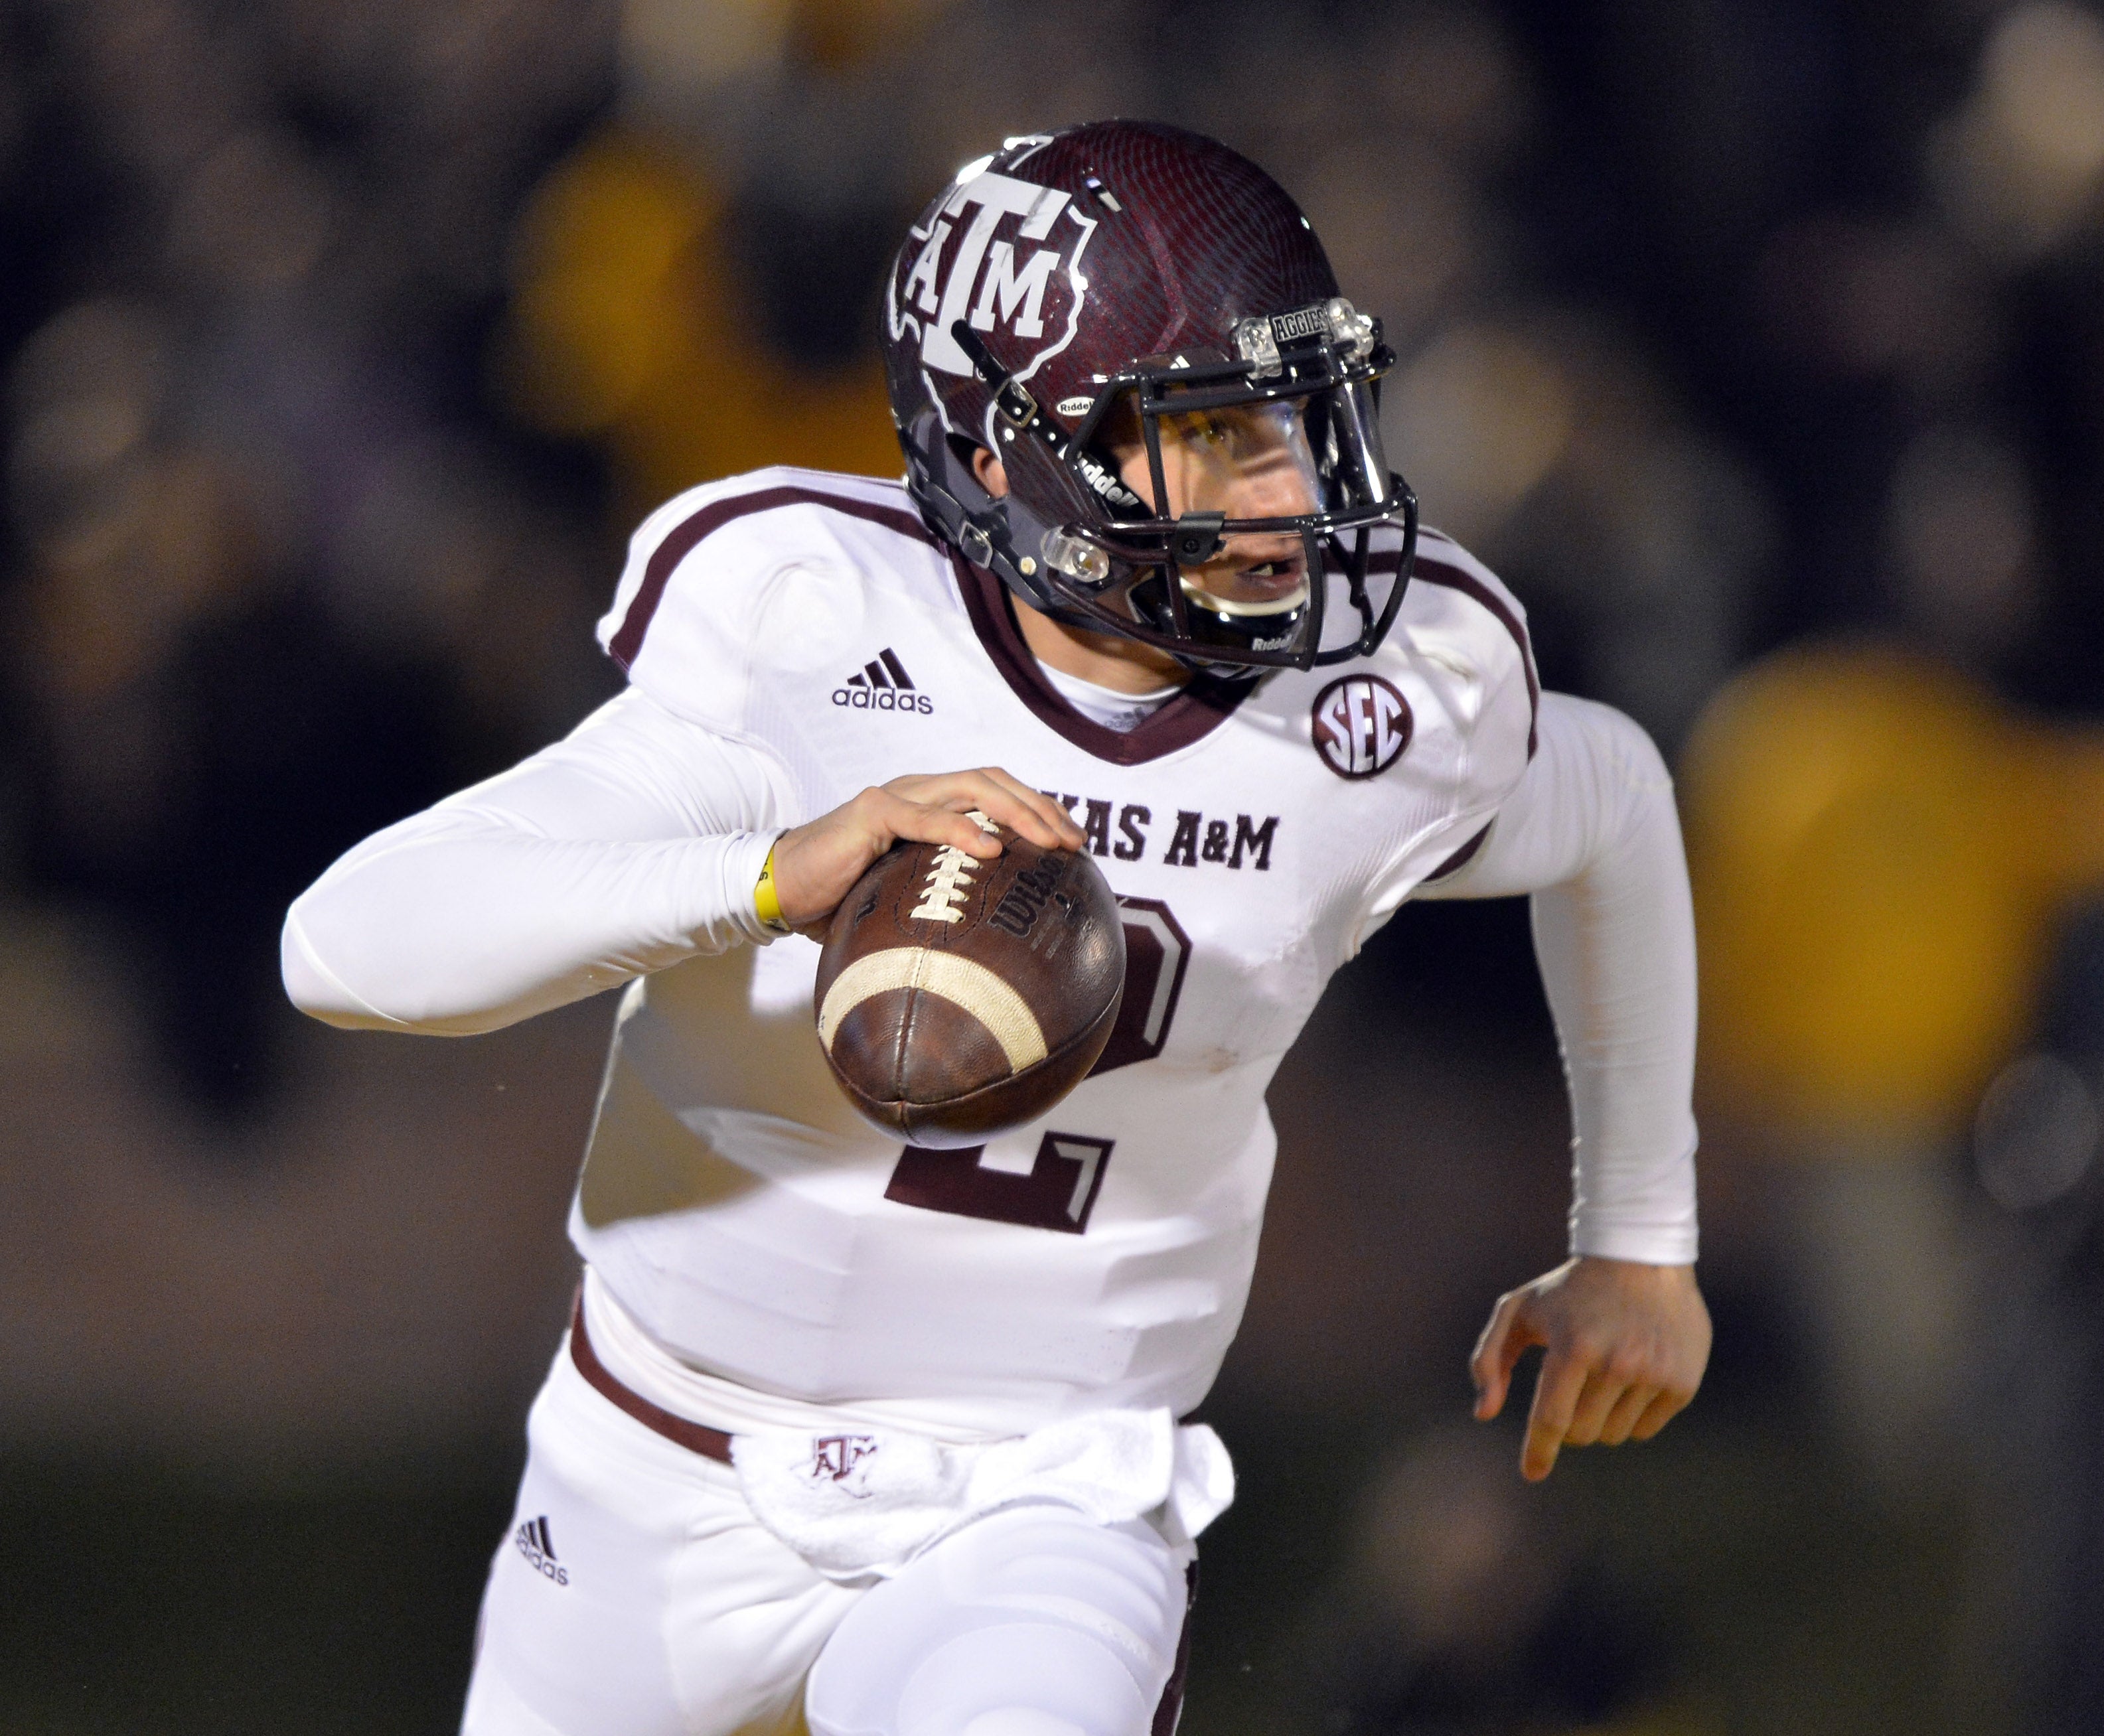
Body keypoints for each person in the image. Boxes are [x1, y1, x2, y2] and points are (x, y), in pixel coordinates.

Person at [284, 121, 1709, 1736]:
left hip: (1041, 1493)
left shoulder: (1382, 698)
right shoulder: (811, 627)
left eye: (1305, 422)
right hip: (656, 1464)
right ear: (1020, 444)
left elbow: (1611, 805)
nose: (1294, 494)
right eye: (1219, 433)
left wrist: (1636, 1239)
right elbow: (345, 948)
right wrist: (766, 875)